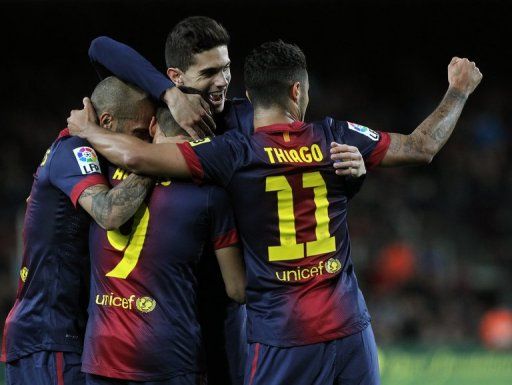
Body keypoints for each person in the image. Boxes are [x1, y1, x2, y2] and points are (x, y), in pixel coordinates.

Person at [68, 39, 482, 385]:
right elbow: (422, 146)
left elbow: (139, 157)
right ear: (297, 92)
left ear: (248, 97)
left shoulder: (234, 153)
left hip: (283, 337)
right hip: (350, 331)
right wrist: (458, 90)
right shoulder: (336, 137)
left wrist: (91, 131)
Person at [1, 76, 156, 385]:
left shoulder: (86, 157)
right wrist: (157, 158)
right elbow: (110, 213)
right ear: (107, 121)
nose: (143, 143)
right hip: (49, 335)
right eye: (139, 133)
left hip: (55, 334)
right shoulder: (76, 150)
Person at [82, 107, 246, 385]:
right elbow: (237, 288)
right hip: (169, 354)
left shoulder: (108, 172)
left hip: (103, 352)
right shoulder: (211, 195)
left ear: (154, 124)